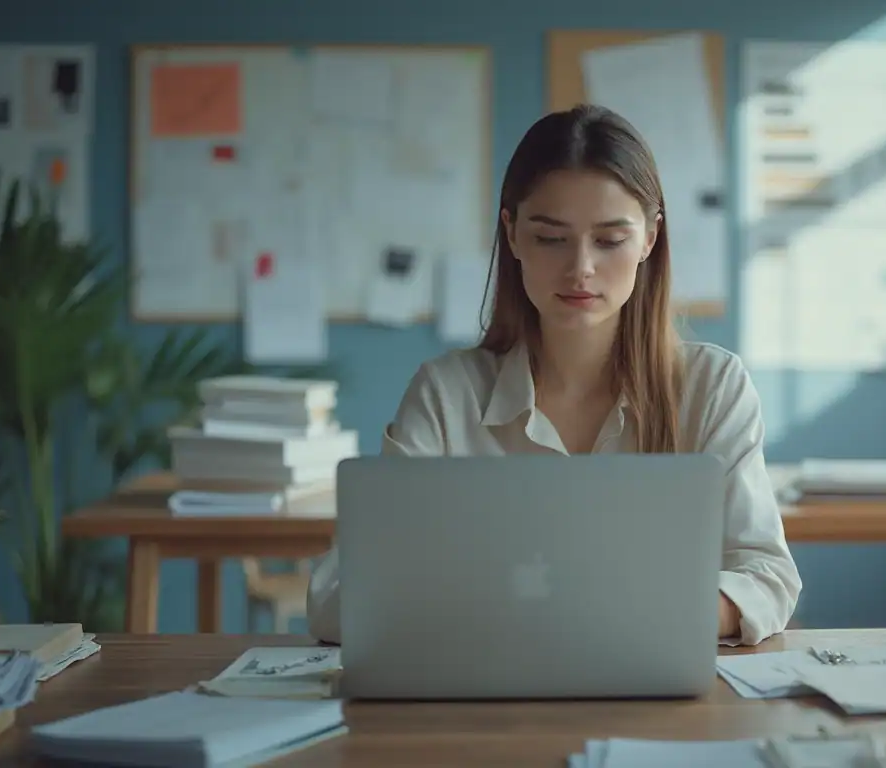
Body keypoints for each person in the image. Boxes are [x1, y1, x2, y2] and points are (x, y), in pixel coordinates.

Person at [307, 104, 801, 646]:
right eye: (550, 238)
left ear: (649, 241)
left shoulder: (712, 387)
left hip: (654, 691)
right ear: (513, 234)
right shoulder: (447, 396)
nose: (581, 268)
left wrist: (658, 614)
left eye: (610, 240)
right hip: (486, 697)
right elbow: (337, 598)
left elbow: (768, 578)